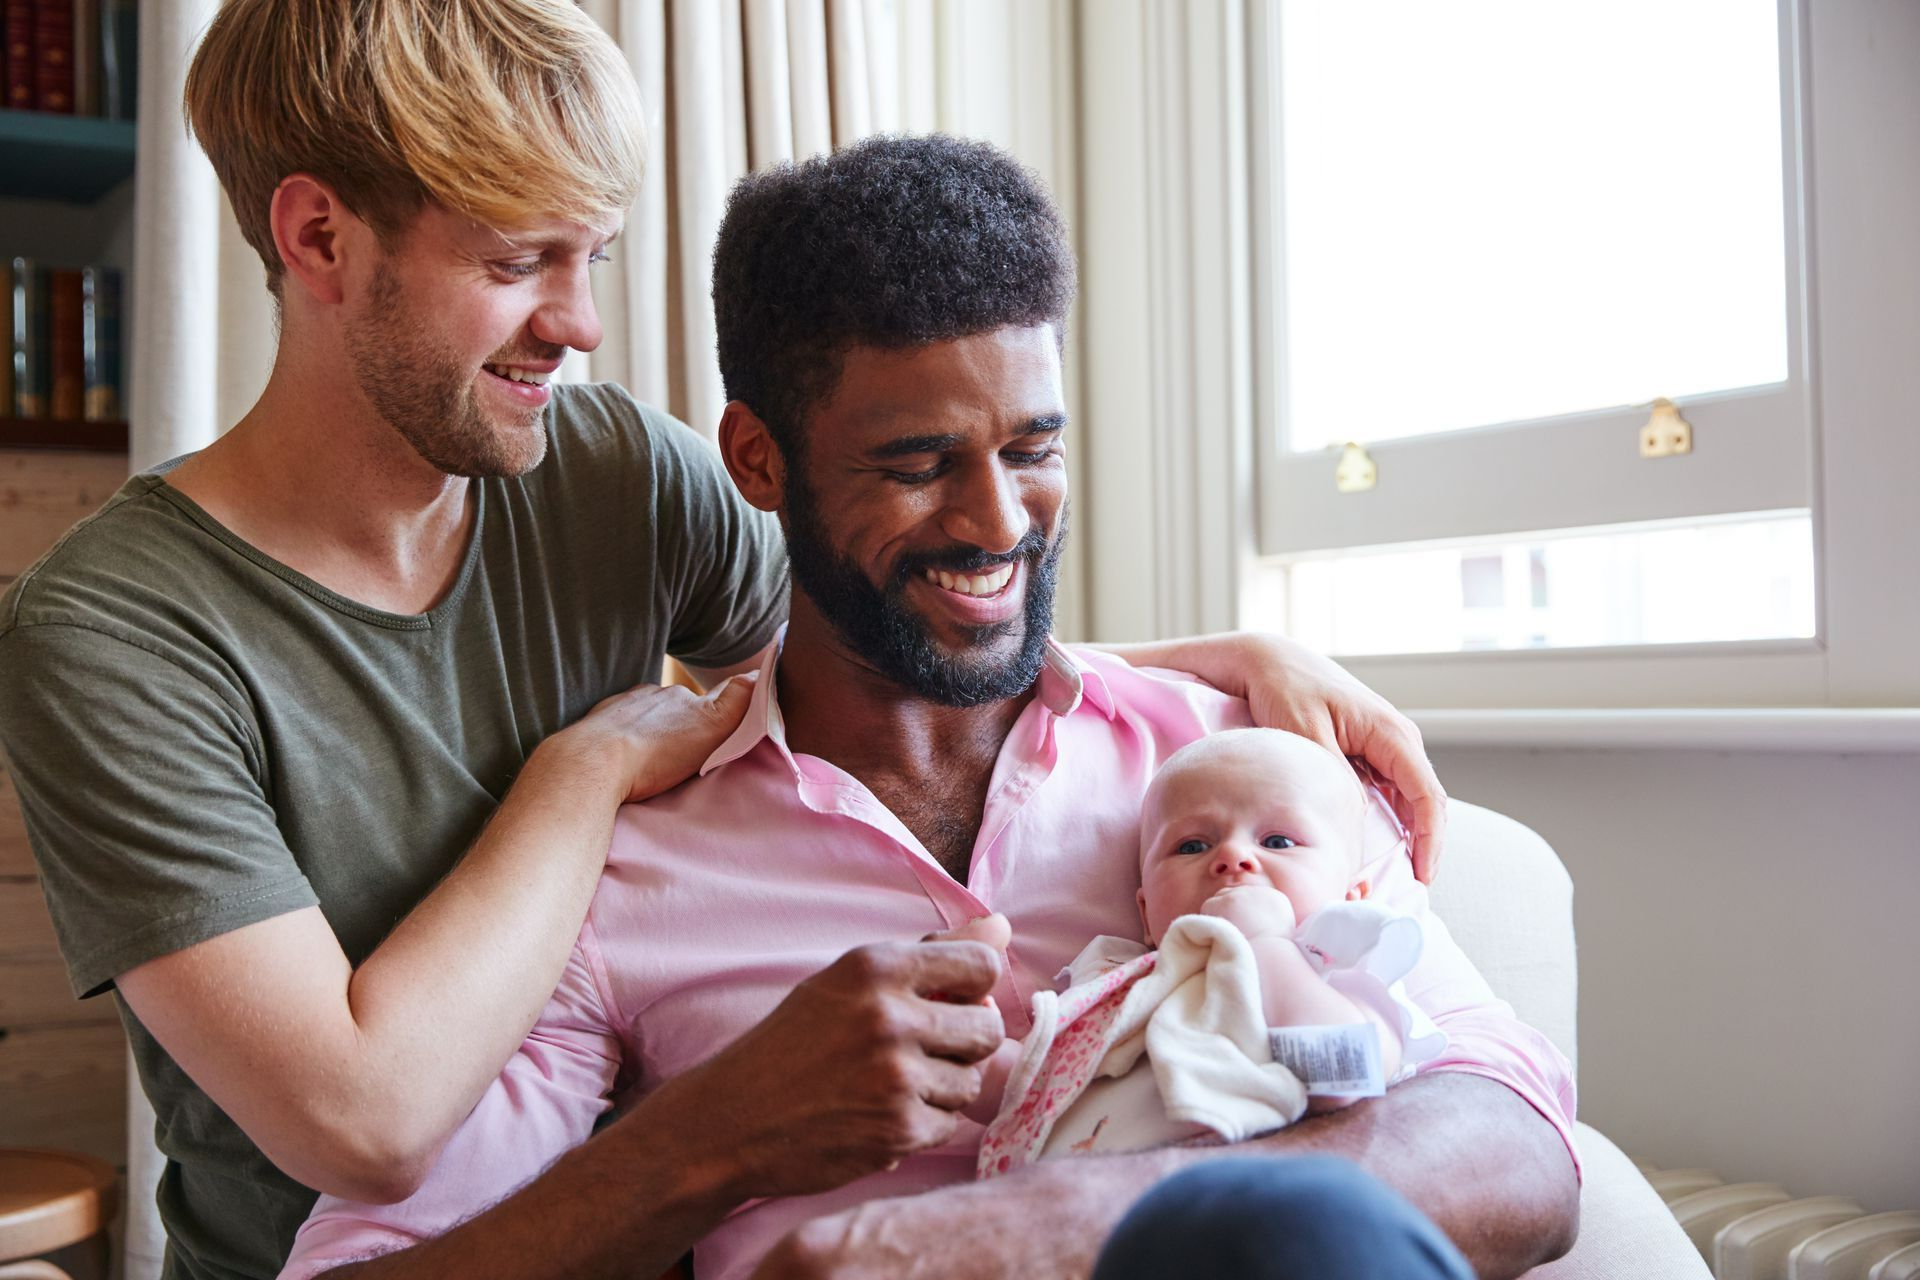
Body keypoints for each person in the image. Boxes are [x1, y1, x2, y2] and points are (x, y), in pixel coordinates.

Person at [0, 6, 1451, 1280]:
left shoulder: (607, 470)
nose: (576, 324)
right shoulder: (115, 634)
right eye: (517, 260)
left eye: (595, 255)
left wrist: (1209, 659)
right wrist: (583, 774)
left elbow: (882, 612)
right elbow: (362, 1124)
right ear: (318, 237)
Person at [278, 135, 1580, 1280]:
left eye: (1034, 450)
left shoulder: (1233, 760)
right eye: (917, 466)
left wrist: (1035, 1230)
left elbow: (1515, 1148)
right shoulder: (625, 873)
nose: (998, 523)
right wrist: (709, 1143)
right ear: (757, 462)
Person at [967, 729, 1449, 1176]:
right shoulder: (1121, 979)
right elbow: (1046, 1087)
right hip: (1075, 1223)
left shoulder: (1342, 970)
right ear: (1147, 911)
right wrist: (976, 1054)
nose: (1232, 857)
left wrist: (1267, 945)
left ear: (1352, 897)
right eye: (1192, 845)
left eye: (1277, 841)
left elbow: (1342, 1077)